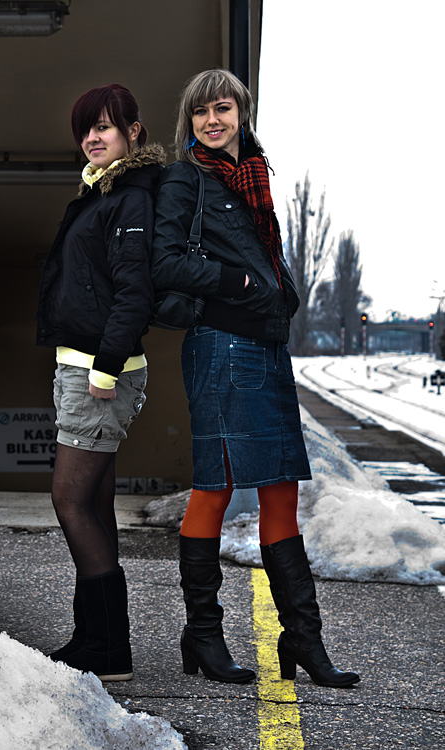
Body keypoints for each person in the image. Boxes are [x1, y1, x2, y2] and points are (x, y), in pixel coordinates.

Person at [151, 69, 359, 688]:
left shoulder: (254, 177)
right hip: (220, 345)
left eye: (222, 108)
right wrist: (237, 281)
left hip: (267, 347)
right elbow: (165, 261)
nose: (212, 120)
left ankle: (302, 638)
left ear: (242, 113)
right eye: (200, 112)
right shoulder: (186, 178)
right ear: (189, 122)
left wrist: (278, 289)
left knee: (281, 490)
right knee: (215, 487)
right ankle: (203, 633)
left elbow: (264, 255)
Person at [36, 84, 165, 681]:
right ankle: (95, 640)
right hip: (84, 365)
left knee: (69, 499)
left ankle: (109, 650)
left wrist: (106, 367)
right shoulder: (102, 192)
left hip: (98, 371)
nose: (92, 137)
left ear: (133, 132)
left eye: (105, 126)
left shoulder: (128, 199)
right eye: (86, 128)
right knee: (93, 502)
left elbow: (134, 292)